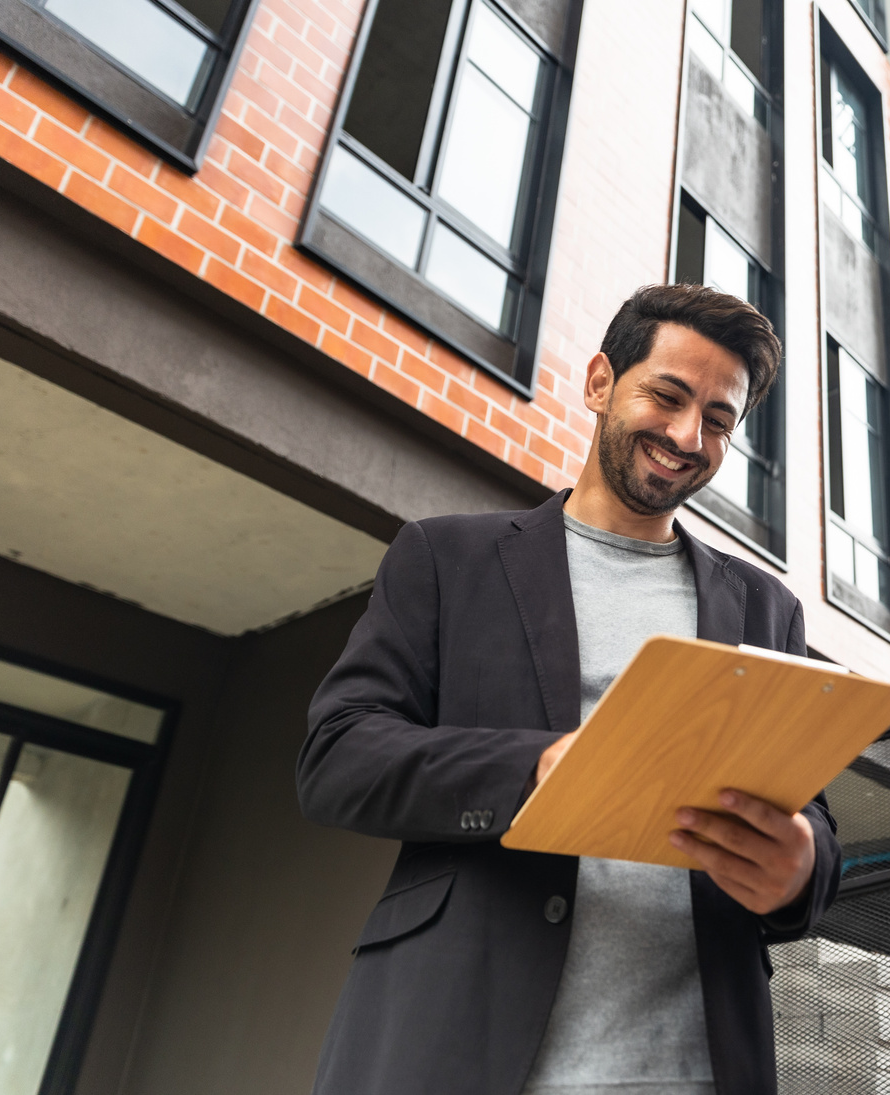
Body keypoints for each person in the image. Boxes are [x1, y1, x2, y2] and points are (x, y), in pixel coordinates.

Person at [298, 283, 842, 1095]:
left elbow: (814, 818)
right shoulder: (448, 560)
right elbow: (338, 756)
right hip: (458, 1051)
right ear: (599, 383)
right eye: (668, 395)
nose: (688, 435)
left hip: (692, 1067)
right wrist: (537, 768)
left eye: (719, 421)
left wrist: (801, 867)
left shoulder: (767, 609)